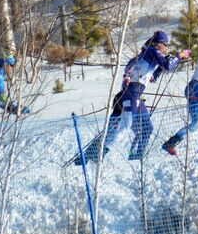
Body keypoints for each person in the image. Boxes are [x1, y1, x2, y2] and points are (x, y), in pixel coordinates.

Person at [74, 31, 187, 164]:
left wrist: (161, 67)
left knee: (147, 128)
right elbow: (167, 65)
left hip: (131, 95)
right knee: (125, 127)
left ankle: (136, 157)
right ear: (158, 44)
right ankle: (100, 153)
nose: (166, 47)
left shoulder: (146, 55)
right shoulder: (152, 51)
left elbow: (152, 77)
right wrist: (179, 56)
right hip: (131, 94)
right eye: (165, 44)